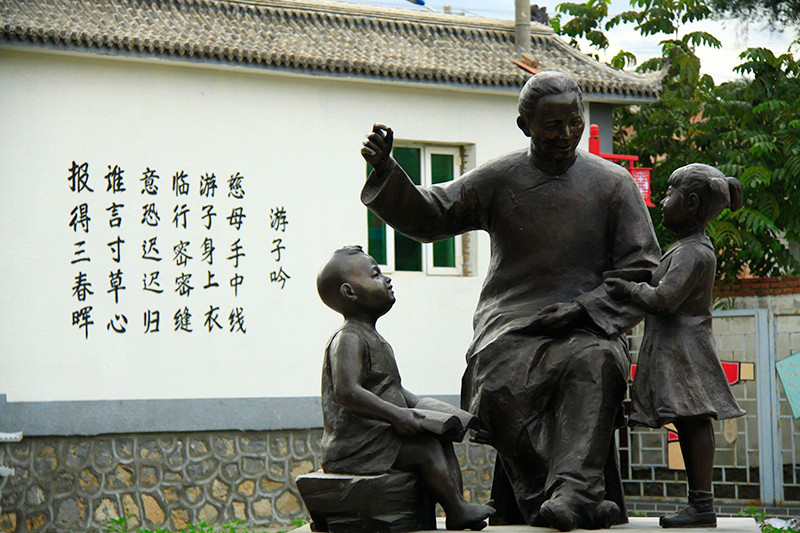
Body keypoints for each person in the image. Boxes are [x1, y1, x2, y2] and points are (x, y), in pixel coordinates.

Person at [360, 71, 661, 531]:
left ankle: (571, 492)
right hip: (511, 323)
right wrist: (387, 172)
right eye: (552, 125)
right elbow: (434, 214)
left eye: (574, 123)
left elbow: (641, 270)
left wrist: (582, 308)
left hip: (589, 323)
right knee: (498, 383)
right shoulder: (501, 178)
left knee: (597, 363)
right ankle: (569, 495)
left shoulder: (613, 185)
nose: (566, 135)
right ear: (525, 125)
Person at [605, 164, 746, 528]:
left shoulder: (693, 253)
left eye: (670, 194)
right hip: (675, 347)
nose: (663, 201)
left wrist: (628, 289)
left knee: (694, 420)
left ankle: (702, 505)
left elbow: (665, 298)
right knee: (687, 421)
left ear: (692, 203)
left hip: (685, 350)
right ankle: (699, 504)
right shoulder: (684, 249)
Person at [316, 246, 495, 531]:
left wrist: (440, 413)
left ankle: (457, 506)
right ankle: (456, 507)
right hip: (355, 443)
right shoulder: (348, 338)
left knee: (440, 438)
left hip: (378, 435)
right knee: (425, 448)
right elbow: (347, 392)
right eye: (375, 275)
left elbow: (396, 391)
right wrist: (396, 415)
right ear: (350, 292)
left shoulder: (375, 339)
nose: (386, 279)